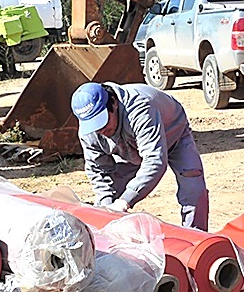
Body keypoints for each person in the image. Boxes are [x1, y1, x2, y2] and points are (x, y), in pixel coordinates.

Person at [71, 82, 209, 230]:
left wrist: (124, 201)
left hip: (173, 134)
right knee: (112, 201)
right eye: (95, 126)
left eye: (102, 121)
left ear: (113, 102)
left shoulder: (140, 109)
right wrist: (106, 206)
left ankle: (197, 239)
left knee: (193, 187)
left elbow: (154, 161)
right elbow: (99, 170)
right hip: (129, 149)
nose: (101, 130)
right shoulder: (89, 131)